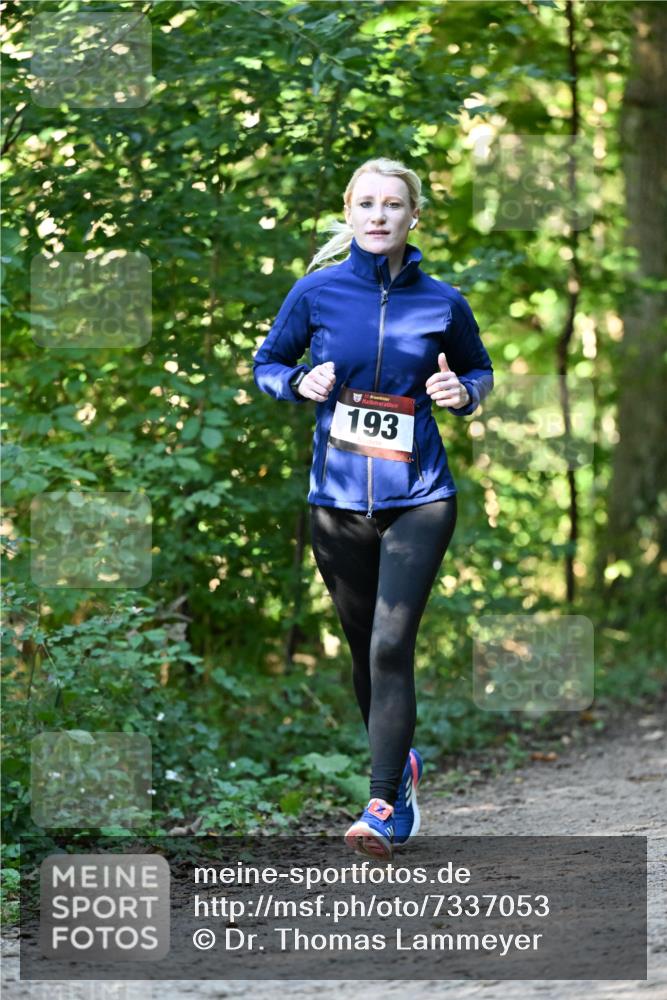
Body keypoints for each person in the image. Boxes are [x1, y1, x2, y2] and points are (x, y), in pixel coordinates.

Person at [253, 157, 494, 861]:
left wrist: (465, 394)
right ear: (349, 213)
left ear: (413, 216)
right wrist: (300, 383)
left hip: (419, 495)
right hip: (335, 502)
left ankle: (382, 802)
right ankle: (403, 770)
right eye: (366, 203)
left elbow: (476, 370)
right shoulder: (317, 293)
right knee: (364, 651)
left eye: (393, 204)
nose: (380, 215)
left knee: (391, 643)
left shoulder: (441, 301)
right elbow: (268, 363)